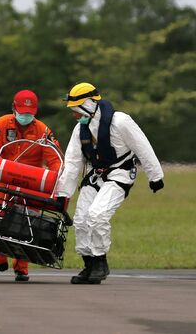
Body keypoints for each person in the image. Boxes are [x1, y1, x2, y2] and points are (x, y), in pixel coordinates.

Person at [55, 82, 164, 284]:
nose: (74, 115)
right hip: (96, 175)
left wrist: (155, 176)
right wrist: (63, 195)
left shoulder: (120, 121)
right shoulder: (80, 130)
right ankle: (89, 265)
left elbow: (143, 147)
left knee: (97, 215)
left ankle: (100, 262)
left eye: (75, 109)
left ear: (87, 104)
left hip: (120, 174)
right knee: (81, 219)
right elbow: (72, 163)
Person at [0, 89, 62, 282]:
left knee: (24, 222)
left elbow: (55, 160)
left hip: (30, 183)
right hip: (3, 179)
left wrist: (55, 180)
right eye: (22, 111)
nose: (25, 116)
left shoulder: (43, 131)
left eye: (29, 112)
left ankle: (21, 268)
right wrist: (7, 170)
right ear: (13, 108)